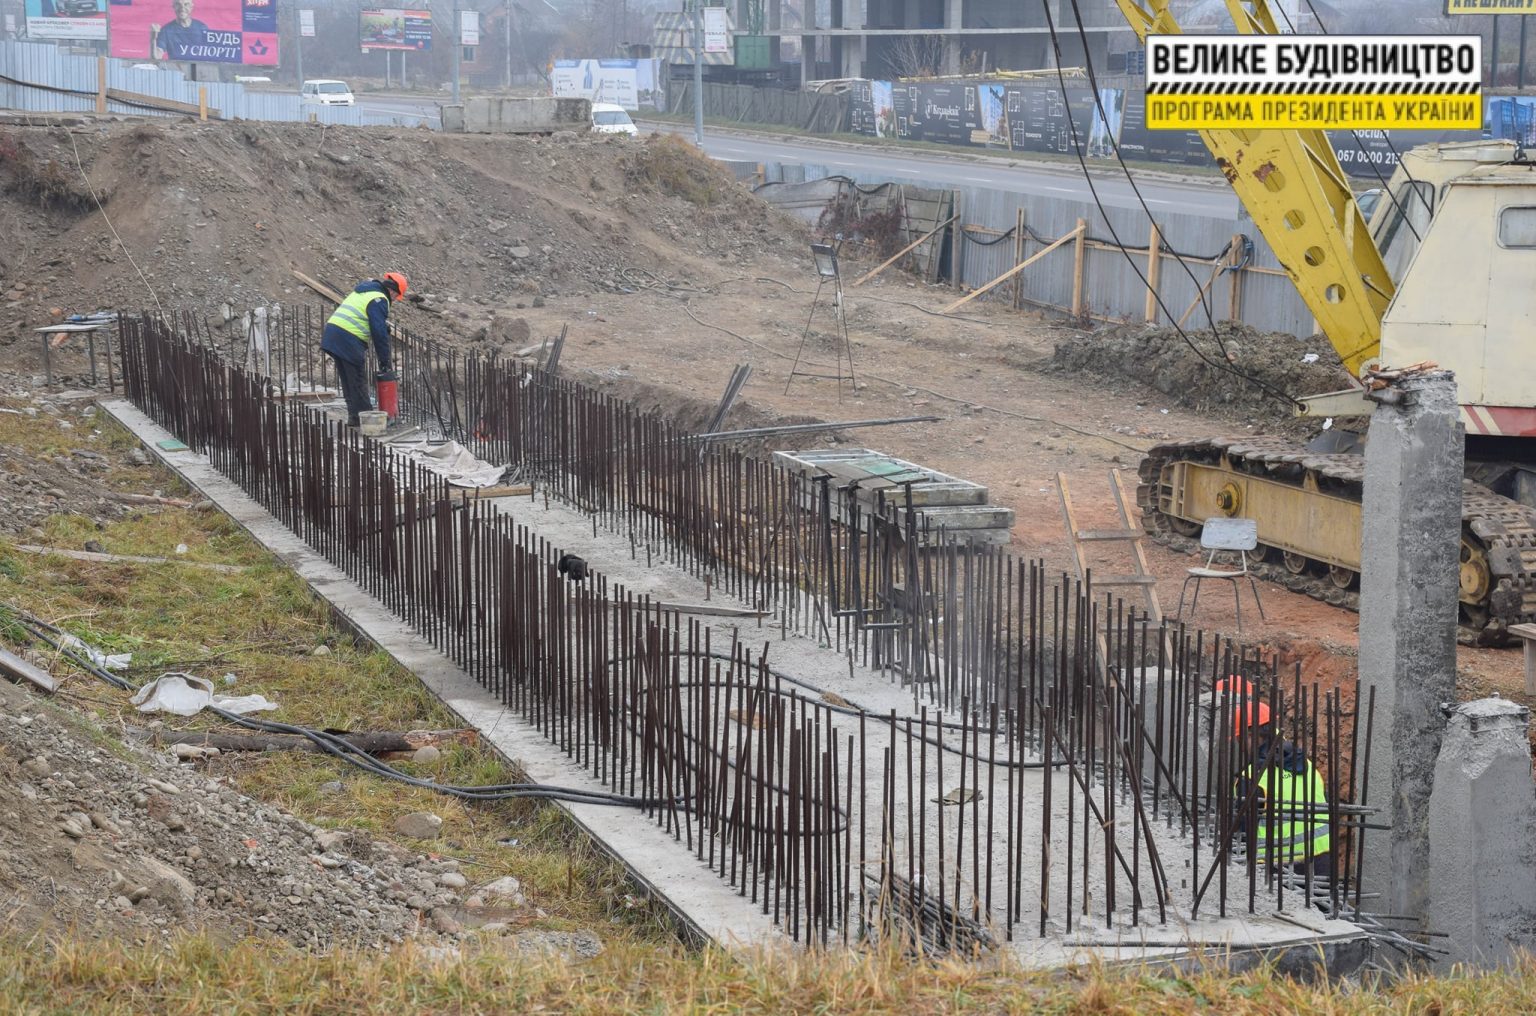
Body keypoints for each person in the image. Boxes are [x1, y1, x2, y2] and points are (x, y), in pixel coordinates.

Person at [1217, 676, 1333, 881]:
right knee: (1323, 913)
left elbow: (1241, 832)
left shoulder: (1253, 778)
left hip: (1278, 868)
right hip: (1321, 862)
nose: (1238, 744)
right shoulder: (1306, 764)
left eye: (1239, 738)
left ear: (1252, 735)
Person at [321, 273, 405, 427]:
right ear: (393, 291)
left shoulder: (366, 291)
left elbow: (367, 317)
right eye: (395, 297)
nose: (393, 301)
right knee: (358, 379)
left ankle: (355, 417)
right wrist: (385, 361)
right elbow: (379, 333)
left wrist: (381, 324)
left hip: (333, 334)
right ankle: (368, 422)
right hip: (347, 338)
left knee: (348, 379)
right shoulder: (380, 299)